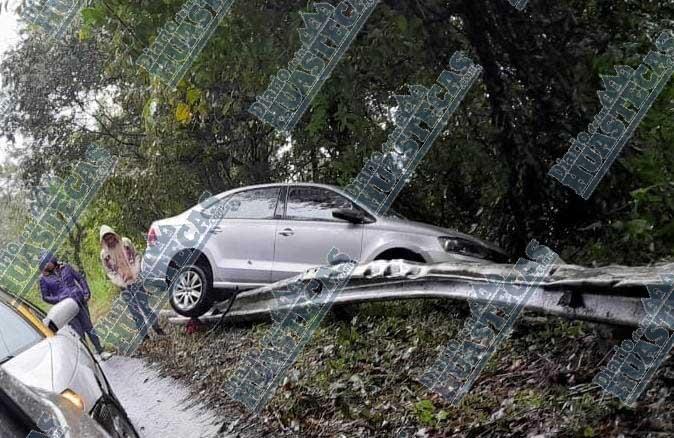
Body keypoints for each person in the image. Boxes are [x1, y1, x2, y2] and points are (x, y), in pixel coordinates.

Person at [38, 251, 112, 361]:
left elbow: (80, 278)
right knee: (79, 332)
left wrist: (86, 292)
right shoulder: (43, 279)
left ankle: (101, 351)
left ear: (52, 259)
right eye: (44, 264)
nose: (47, 265)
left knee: (89, 327)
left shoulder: (66, 267)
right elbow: (45, 296)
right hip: (66, 308)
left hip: (79, 301)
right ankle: (90, 359)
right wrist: (59, 299)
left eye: (47, 262)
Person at [99, 225, 165, 342]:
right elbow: (109, 272)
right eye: (107, 239)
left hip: (136, 280)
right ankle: (144, 336)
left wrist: (136, 271)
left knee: (145, 306)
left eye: (111, 237)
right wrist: (120, 282)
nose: (110, 240)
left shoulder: (125, 242)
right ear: (104, 241)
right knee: (135, 311)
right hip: (123, 286)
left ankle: (157, 328)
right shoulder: (105, 254)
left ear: (114, 235)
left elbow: (136, 256)